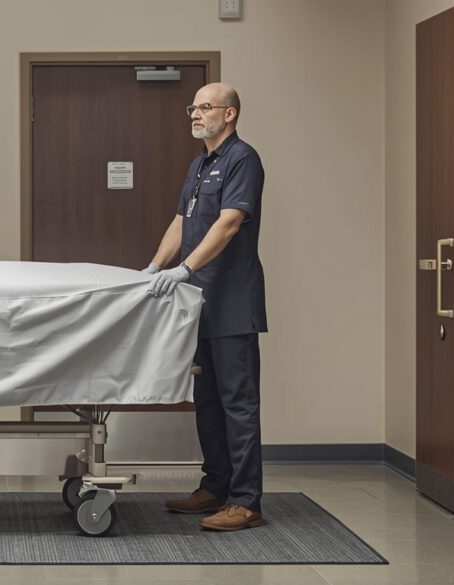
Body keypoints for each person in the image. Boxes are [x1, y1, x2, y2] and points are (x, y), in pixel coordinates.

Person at [143, 82, 267, 531]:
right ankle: (215, 486)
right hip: (199, 302)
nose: (195, 114)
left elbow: (230, 222)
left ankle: (246, 501)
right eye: (192, 107)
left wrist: (186, 269)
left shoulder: (242, 159)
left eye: (205, 107)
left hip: (232, 300)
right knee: (207, 401)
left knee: (238, 402)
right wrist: (155, 267)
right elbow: (181, 221)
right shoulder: (200, 164)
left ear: (229, 114)